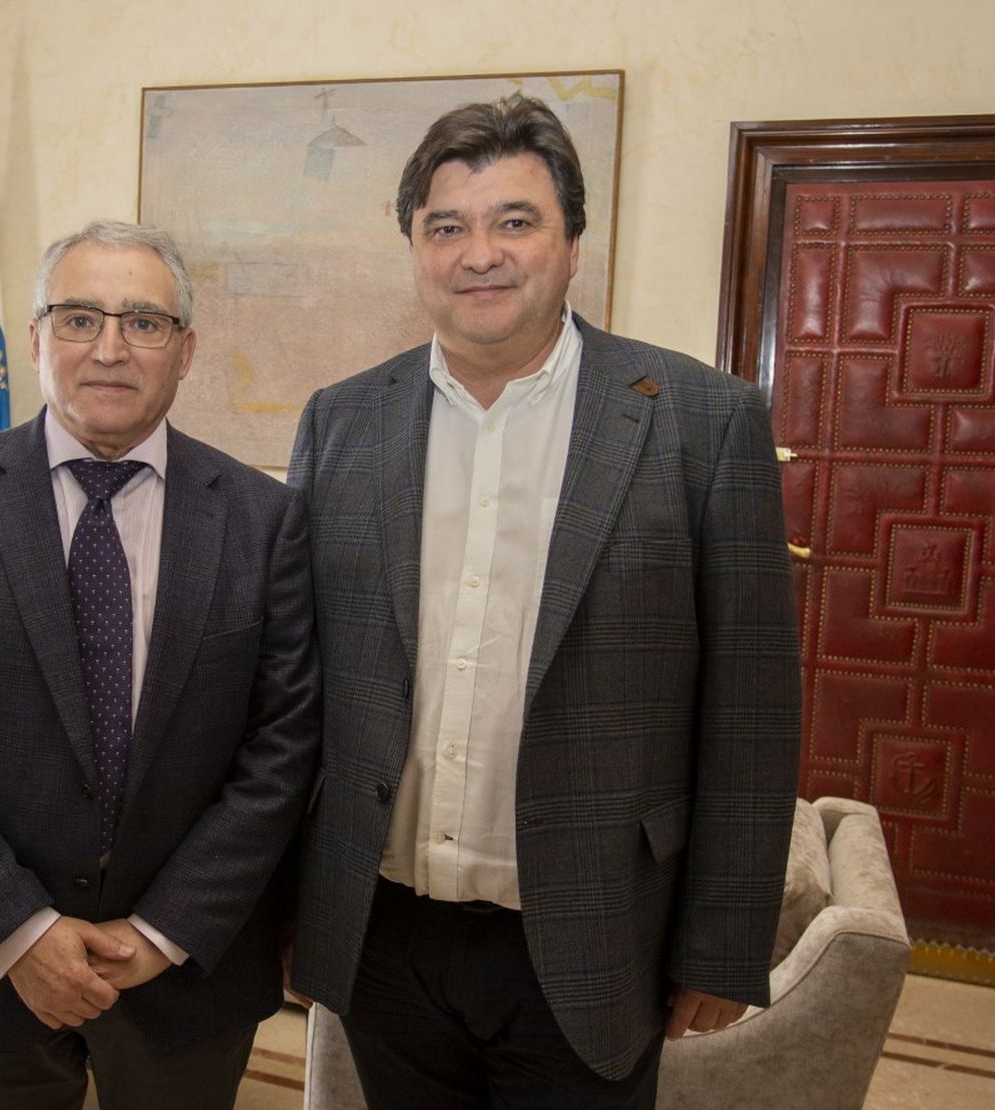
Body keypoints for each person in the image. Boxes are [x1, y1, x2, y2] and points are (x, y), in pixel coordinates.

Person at [288, 95, 801, 1108]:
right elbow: (295, 685)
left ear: (572, 245)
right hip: (383, 934)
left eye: (514, 221)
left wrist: (722, 941)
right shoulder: (341, 423)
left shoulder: (701, 423)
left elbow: (750, 709)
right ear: (416, 251)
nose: (480, 253)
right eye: (448, 227)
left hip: (594, 933)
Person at [0, 220, 320, 1110]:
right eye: (78, 318)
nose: (110, 348)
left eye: (144, 322)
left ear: (185, 352)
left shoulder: (264, 521)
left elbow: (282, 753)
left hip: (185, 973)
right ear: (32, 340)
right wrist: (19, 933)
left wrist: (161, 931)